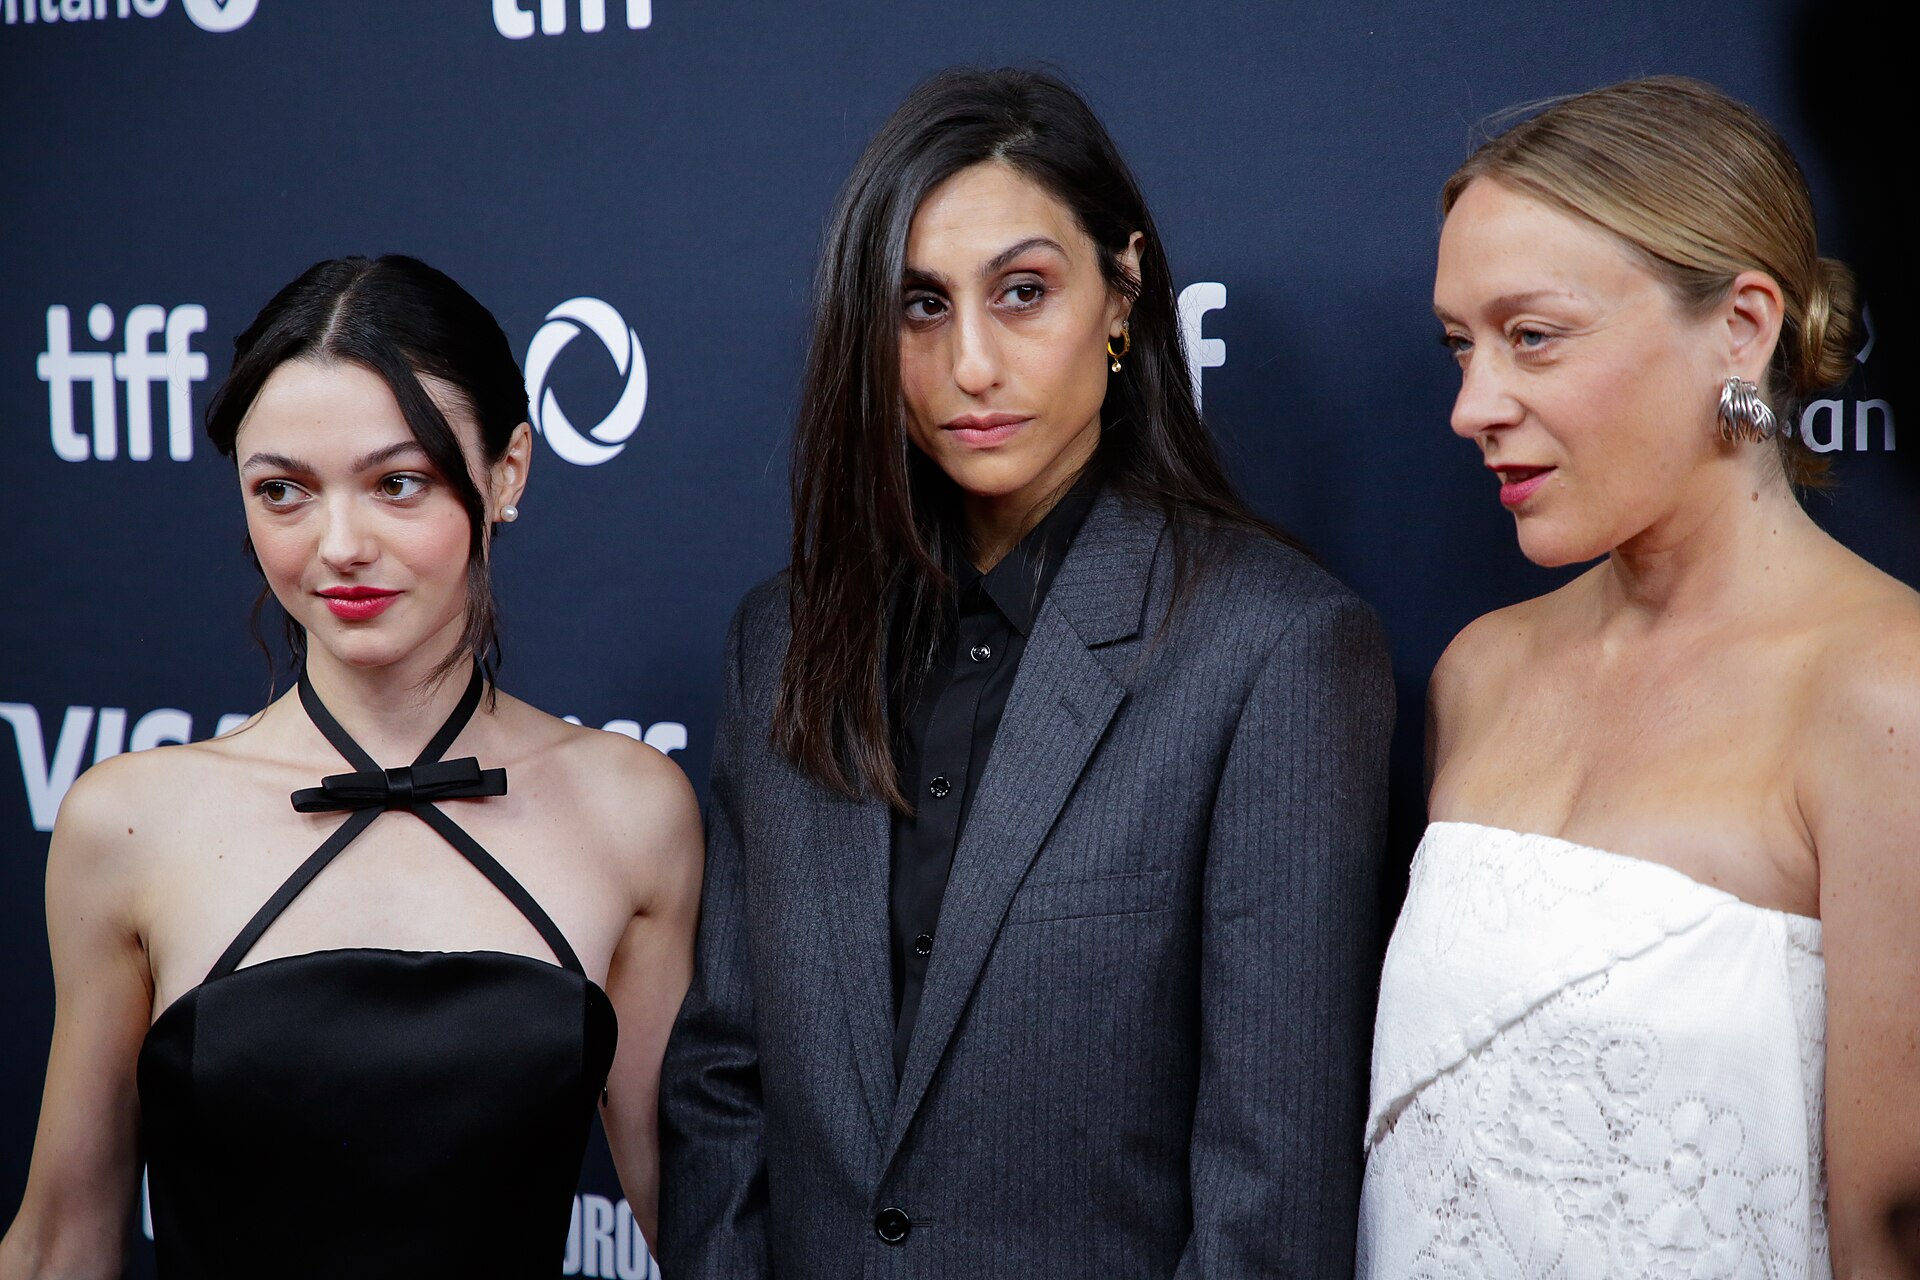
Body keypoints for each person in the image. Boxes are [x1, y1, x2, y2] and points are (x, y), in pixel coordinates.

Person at [660, 67, 1394, 1279]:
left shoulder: (1276, 648)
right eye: (920, 305)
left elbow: (1269, 1189)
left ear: (1123, 293)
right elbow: (723, 1083)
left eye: (1022, 292)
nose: (972, 364)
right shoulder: (782, 638)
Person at [0, 255, 701, 1279]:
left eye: (397, 483)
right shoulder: (129, 824)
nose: (340, 545)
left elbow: (701, 1229)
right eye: (283, 490)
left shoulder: (633, 810)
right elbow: (63, 1241)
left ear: (507, 471)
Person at [1360, 77, 1920, 1277]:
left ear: (1743, 326)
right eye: (1460, 344)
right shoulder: (1480, 674)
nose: (1472, 405)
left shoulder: (1889, 697)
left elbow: (1889, 1231)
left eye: (1533, 335)